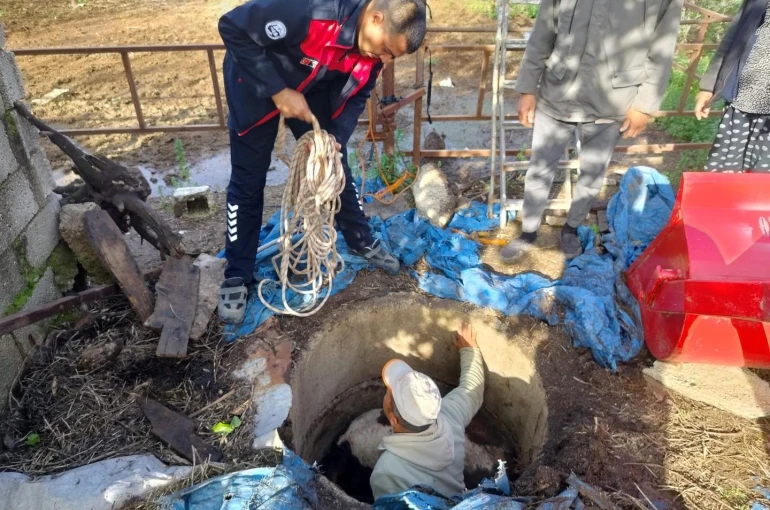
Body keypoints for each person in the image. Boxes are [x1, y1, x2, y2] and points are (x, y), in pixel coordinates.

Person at [217, 0, 427, 323]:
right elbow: (232, 27)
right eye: (386, 48)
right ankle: (236, 275)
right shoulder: (310, 10)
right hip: (256, 82)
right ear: (375, 17)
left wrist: (333, 142)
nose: (384, 60)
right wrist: (277, 91)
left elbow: (355, 98)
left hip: (309, 84)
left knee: (332, 161)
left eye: (392, 57)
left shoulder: (371, 57)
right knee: (248, 181)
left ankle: (360, 240)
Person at [500, 0, 684, 262]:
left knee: (593, 172)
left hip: (612, 98)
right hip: (558, 91)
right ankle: (528, 232)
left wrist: (644, 105)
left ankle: (571, 229)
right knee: (539, 167)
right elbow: (543, 31)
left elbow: (663, 46)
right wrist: (527, 88)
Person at [370, 323, 485, 500]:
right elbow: (472, 390)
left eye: (389, 392)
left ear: (394, 420)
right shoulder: (449, 416)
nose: (387, 392)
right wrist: (470, 351)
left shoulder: (387, 470)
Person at [695, 0, 770, 172]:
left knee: (763, 184)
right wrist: (708, 86)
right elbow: (733, 37)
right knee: (727, 178)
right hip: (742, 100)